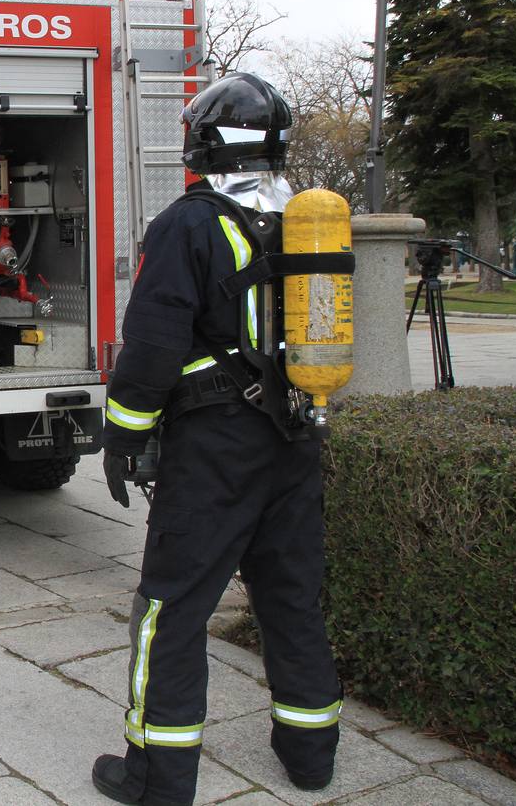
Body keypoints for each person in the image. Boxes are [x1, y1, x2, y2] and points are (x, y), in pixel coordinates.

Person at [93, 73, 342, 806]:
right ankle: (310, 759)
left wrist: (123, 436)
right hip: (294, 437)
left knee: (169, 608)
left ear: (202, 144)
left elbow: (151, 347)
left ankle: (155, 780)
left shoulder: (189, 223)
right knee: (292, 598)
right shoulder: (310, 221)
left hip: (213, 448)